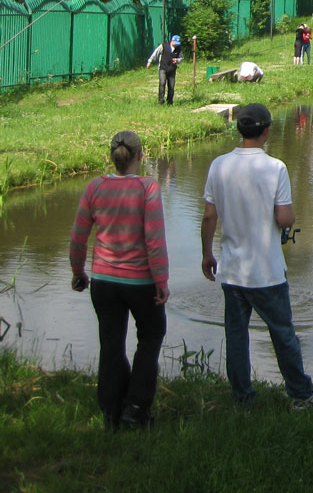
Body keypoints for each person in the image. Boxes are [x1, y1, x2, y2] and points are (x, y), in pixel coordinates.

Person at [201, 103, 313, 410]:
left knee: (237, 337)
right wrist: (290, 217)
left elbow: (209, 217)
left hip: (231, 271)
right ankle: (301, 395)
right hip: (266, 272)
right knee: (283, 334)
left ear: (239, 129)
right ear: (267, 130)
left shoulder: (218, 165)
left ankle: (242, 397)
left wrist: (207, 255)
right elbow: (284, 219)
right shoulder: (276, 168)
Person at [69, 131, 168, 430]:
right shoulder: (148, 187)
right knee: (150, 339)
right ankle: (136, 409)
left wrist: (78, 272)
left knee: (111, 345)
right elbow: (154, 240)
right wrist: (161, 281)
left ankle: (111, 410)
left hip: (103, 282)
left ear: (112, 156)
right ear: (141, 156)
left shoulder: (95, 187)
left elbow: (78, 237)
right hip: (141, 283)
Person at [145, 34, 182, 105]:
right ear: (172, 41)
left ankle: (170, 102)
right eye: (175, 43)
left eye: (178, 44)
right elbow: (155, 53)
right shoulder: (164, 46)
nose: (176, 45)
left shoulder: (178, 49)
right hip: (163, 68)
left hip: (172, 69)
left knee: (171, 86)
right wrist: (150, 61)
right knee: (162, 83)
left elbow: (181, 58)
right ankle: (160, 101)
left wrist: (177, 60)